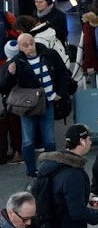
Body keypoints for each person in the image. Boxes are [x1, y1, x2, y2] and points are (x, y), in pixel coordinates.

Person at [1, 33, 69, 177]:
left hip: (48, 101)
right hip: (28, 106)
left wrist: (60, 93)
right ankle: (31, 171)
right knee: (28, 140)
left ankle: (51, 167)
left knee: (49, 138)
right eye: (25, 45)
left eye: (32, 43)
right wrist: (10, 73)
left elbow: (63, 73)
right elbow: (4, 86)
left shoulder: (49, 54)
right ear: (20, 47)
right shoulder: (16, 62)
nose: (30, 47)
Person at [34, 124, 98, 228]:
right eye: (89, 139)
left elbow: (60, 193)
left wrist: (84, 195)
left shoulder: (54, 163)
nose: (91, 142)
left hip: (51, 225)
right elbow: (77, 212)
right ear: (82, 141)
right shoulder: (74, 173)